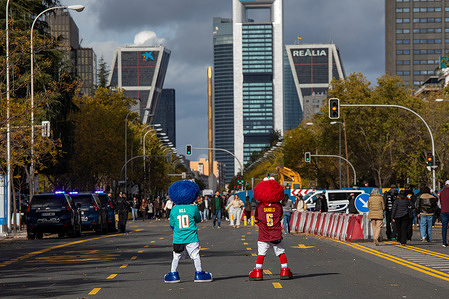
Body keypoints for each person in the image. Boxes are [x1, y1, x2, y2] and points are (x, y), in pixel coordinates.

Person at [164, 180, 213, 283]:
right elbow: (198, 219)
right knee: (195, 255)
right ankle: (199, 273)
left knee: (176, 256)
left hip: (178, 238)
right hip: (191, 237)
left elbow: (172, 224)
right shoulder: (193, 208)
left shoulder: (174, 209)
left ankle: (173, 274)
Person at [249, 178, 293, 281]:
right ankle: (284, 270)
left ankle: (258, 272)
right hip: (276, 234)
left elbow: (256, 220)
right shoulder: (278, 206)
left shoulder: (259, 207)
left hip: (263, 235)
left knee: (261, 254)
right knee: (281, 252)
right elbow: (280, 218)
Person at [439, 180, 449, 247]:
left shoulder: (442, 192)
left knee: (444, 227)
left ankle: (444, 242)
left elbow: (439, 204)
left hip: (443, 211)